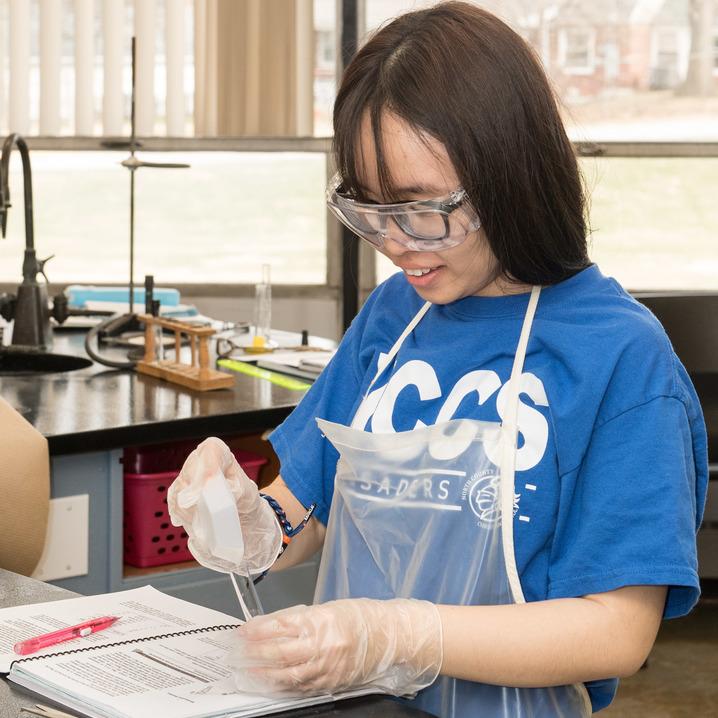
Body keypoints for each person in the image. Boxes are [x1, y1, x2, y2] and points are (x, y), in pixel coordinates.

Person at [167, 3, 708, 716]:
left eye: (425, 209)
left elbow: (616, 630)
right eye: (372, 212)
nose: (397, 243)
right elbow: (303, 516)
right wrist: (244, 520)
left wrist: (404, 633)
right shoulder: (394, 319)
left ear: (512, 174)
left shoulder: (619, 358)